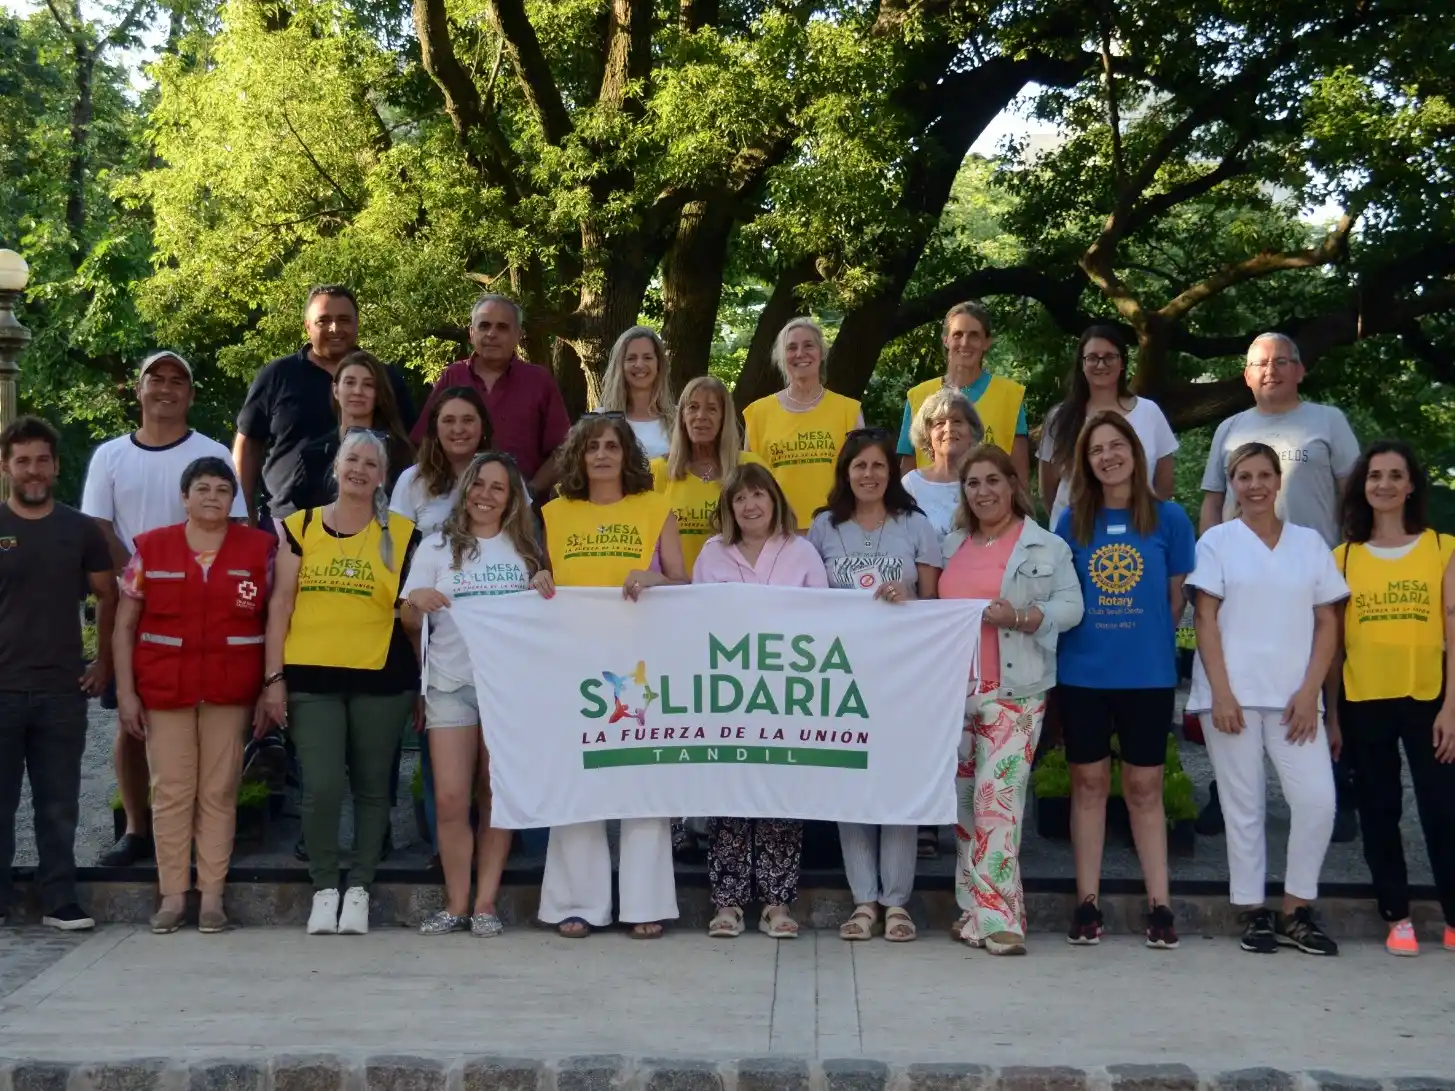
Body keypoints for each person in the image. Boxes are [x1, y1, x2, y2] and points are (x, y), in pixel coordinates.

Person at [81, 350, 247, 868]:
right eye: (157, 378)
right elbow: (98, 527)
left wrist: (185, 578)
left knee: (208, 723)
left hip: (201, 608)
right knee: (131, 722)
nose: (167, 388)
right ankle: (135, 829)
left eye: (179, 380)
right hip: (131, 606)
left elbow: (234, 525)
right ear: (140, 389)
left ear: (191, 395)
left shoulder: (213, 451)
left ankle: (205, 834)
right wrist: (144, 572)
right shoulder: (110, 455)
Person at [1197, 332, 1361, 840]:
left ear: (1300, 369)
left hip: (1311, 568)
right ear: (1246, 375)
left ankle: (1335, 776)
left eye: (1281, 362)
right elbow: (1211, 500)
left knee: (1323, 671)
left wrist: (1355, 554)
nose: (1270, 371)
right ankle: (1228, 795)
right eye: (1259, 364)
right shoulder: (1230, 427)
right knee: (1236, 676)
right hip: (1240, 573)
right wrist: (1209, 558)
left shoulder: (1327, 420)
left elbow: (1351, 493)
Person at [1188, 442, 1347, 956]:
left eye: (1263, 475)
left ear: (1279, 483)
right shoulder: (1217, 542)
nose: (1254, 485)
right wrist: (1222, 693)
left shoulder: (1310, 544)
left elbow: (1329, 620)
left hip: (1294, 701)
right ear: (1232, 484)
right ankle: (1253, 911)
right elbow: (1205, 618)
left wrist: (1310, 693)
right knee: (1244, 807)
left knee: (1318, 803)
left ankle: (1296, 909)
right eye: (1243, 477)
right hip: (1231, 696)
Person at [259, 430, 420, 936]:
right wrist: (273, 679)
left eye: (372, 463)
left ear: (382, 475)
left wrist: (421, 680)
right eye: (353, 458)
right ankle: (325, 886)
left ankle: (360, 888)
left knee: (375, 791)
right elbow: (280, 604)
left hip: (382, 677)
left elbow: (409, 615)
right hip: (311, 676)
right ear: (337, 465)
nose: (360, 469)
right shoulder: (298, 527)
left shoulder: (403, 532)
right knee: (322, 787)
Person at [535, 413, 688, 938]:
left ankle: (645, 903)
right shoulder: (554, 513)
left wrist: (655, 578)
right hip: (573, 664)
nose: (601, 455)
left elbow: (683, 583)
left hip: (641, 664)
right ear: (577, 456)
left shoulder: (655, 506)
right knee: (580, 778)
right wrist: (538, 577)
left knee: (643, 777)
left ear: (628, 456)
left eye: (612, 447)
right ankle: (578, 902)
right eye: (592, 447)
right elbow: (544, 579)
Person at [111, 458, 276, 934]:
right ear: (184, 497)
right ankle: (172, 896)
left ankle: (211, 898)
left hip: (230, 690)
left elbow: (274, 622)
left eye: (222, 489)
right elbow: (124, 627)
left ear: (234, 500)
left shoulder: (260, 550)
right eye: (201, 488)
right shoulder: (151, 550)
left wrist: (269, 688)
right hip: (166, 691)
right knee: (170, 793)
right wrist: (126, 693)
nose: (211, 496)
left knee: (219, 793)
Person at [1053, 412, 1194, 949]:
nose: (1107, 456)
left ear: (1135, 451)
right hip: (1084, 673)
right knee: (1087, 786)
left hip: (1147, 674)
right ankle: (1086, 903)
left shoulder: (1170, 518)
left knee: (1144, 787)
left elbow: (1175, 597)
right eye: (1096, 451)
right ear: (1085, 464)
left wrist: (1147, 642)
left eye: (1116, 446)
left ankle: (1160, 904)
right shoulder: (1071, 521)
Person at [940, 443, 1082, 954]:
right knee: (963, 807)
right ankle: (974, 909)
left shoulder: (1044, 546)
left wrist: (1020, 617)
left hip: (1015, 691)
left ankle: (1001, 922)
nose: (983, 492)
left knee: (995, 802)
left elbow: (1071, 607)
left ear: (1012, 484)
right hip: (954, 694)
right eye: (973, 483)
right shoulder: (952, 543)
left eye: (992, 481)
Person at [807, 429, 942, 942]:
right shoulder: (822, 528)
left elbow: (936, 606)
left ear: (892, 472)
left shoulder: (916, 526)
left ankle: (898, 902)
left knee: (897, 782)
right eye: (858, 466)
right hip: (840, 679)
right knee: (851, 787)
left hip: (901, 677)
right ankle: (864, 900)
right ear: (845, 472)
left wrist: (908, 594)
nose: (868, 475)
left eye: (878, 466)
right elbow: (806, 602)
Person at [403, 452, 543, 938]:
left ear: (512, 499)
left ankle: (485, 904)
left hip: (509, 688)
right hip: (450, 683)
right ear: (465, 489)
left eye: (498, 488)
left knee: (496, 795)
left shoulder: (525, 549)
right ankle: (455, 903)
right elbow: (408, 616)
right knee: (449, 797)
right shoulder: (437, 545)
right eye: (478, 484)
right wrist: (415, 603)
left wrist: (547, 584)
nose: (485, 494)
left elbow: (545, 621)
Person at [1326, 440, 1455, 956]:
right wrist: (1331, 716)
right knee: (1380, 809)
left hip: (1430, 699)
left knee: (1443, 810)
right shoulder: (1344, 557)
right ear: (1362, 486)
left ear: (1411, 485)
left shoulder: (1442, 548)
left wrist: (1452, 707)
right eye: (1374, 475)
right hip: (1364, 700)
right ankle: (1396, 915)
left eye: (1395, 475)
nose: (1384, 484)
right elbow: (1332, 646)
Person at [692, 463, 826, 939]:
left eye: (758, 496)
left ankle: (776, 901)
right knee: (729, 794)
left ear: (775, 500)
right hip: (729, 696)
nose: (750, 506)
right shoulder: (711, 554)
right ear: (728, 508)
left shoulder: (802, 552)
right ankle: (726, 903)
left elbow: (825, 621)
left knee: (778, 794)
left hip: (785, 694)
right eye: (740, 499)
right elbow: (694, 619)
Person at [0, 416, 115, 931]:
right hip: (1, 688)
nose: (33, 470)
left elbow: (108, 595)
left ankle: (59, 900)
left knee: (58, 803)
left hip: (61, 690)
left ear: (56, 465)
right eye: (22, 460)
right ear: (6, 467)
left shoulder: (79, 528)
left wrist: (104, 662)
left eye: (42, 460)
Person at [235, 285, 416, 526]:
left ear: (356, 324)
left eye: (344, 320)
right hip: (287, 520)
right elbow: (247, 445)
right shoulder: (278, 375)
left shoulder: (386, 379)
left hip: (371, 523)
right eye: (324, 320)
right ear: (307, 326)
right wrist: (243, 514)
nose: (335, 328)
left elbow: (411, 446)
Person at [411, 293, 570, 502]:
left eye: (502, 327)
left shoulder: (539, 381)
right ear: (471, 333)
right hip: (454, 505)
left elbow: (564, 449)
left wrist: (529, 491)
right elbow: (423, 441)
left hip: (521, 512)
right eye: (484, 326)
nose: (491, 334)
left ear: (519, 334)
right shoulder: (453, 376)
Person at [1037, 325, 1178, 530]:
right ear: (1082, 364)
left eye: (1109, 357)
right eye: (1092, 357)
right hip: (1074, 536)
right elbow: (1047, 489)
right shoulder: (1059, 417)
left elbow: (1164, 484)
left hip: (1136, 531)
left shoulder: (1149, 412)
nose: (1101, 364)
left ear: (1122, 363)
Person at [743, 317, 864, 531]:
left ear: (821, 353)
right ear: (781, 357)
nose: (800, 354)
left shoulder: (848, 411)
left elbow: (862, 477)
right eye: (791, 347)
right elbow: (748, 484)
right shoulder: (758, 414)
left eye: (809, 345)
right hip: (777, 533)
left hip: (838, 531)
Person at [897, 301, 1029, 484]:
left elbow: (1020, 475)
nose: (965, 343)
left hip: (990, 506)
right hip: (930, 508)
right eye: (957, 334)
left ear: (986, 342)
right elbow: (907, 470)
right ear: (946, 340)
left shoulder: (1010, 396)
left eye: (974, 336)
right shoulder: (919, 397)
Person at [652, 376, 767, 572]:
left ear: (724, 417)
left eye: (712, 409)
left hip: (734, 588)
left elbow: (774, 531)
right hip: (674, 592)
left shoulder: (751, 466)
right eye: (693, 407)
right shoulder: (658, 470)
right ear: (682, 416)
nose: (701, 416)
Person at [293, 350, 414, 511]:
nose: (358, 391)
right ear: (336, 390)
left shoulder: (400, 453)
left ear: (378, 394)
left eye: (368, 385)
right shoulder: (313, 454)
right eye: (350, 382)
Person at [391, 387, 494, 536]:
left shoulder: (506, 478)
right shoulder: (412, 480)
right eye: (448, 421)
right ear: (435, 429)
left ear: (483, 426)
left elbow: (525, 543)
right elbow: (394, 548)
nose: (458, 429)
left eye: (468, 420)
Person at [901, 388, 984, 537]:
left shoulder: (985, 482)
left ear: (972, 432)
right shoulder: (911, 485)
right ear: (927, 435)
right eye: (939, 423)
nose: (949, 428)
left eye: (957, 421)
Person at [597, 326, 675, 460]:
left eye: (647, 357)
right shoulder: (599, 419)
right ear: (620, 365)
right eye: (631, 358)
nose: (639, 364)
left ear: (659, 364)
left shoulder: (680, 419)